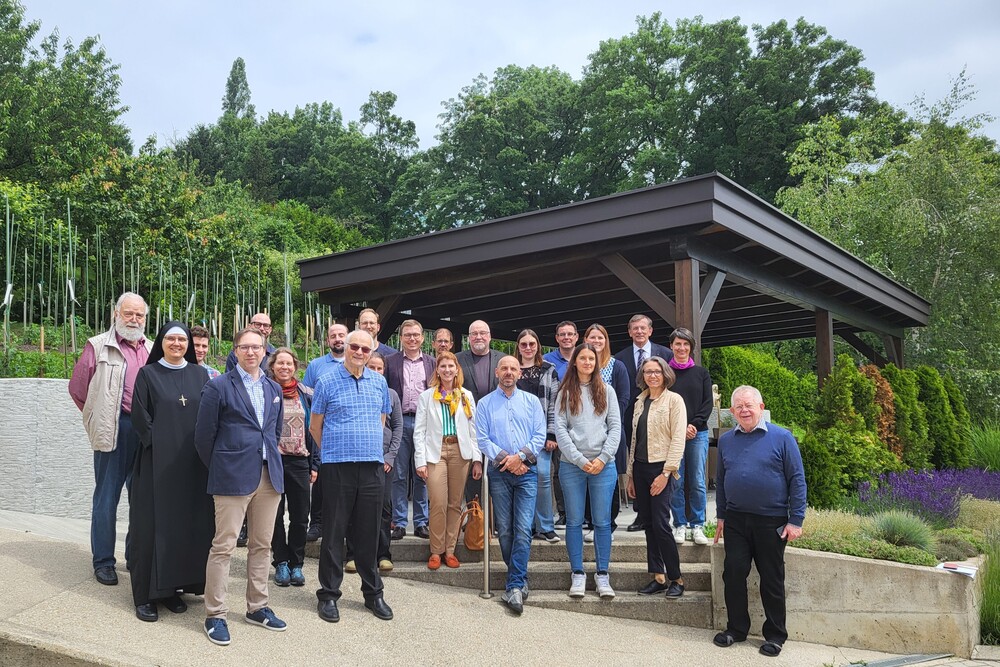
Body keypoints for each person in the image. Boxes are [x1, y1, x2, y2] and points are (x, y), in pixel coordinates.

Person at [195, 326, 287, 646]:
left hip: (268, 477)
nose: (251, 352)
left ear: (265, 351)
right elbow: (203, 437)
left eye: (257, 347)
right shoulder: (218, 386)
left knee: (262, 545)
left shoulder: (274, 388)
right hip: (232, 476)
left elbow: (273, 434)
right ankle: (215, 613)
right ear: (235, 351)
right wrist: (223, 465)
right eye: (245, 347)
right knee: (224, 546)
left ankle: (257, 607)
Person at [129, 321, 213, 622]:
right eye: (170, 339)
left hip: (192, 465)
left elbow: (208, 415)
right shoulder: (148, 374)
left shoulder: (200, 374)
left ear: (189, 343)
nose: (177, 344)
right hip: (157, 463)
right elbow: (140, 416)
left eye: (182, 339)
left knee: (184, 527)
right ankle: (147, 595)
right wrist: (160, 444)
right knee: (152, 526)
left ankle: (173, 589)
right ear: (161, 342)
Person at [713, 385, 806, 658]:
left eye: (749, 405)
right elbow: (721, 482)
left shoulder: (782, 437)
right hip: (736, 521)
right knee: (733, 573)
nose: (744, 410)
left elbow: (797, 480)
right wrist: (721, 515)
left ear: (761, 407)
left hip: (772, 521)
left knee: (772, 579)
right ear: (732, 412)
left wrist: (796, 519)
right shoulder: (727, 440)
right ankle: (736, 629)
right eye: (738, 406)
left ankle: (776, 636)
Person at [69, 291, 153, 586]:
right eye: (128, 313)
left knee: (141, 499)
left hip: (144, 432)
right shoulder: (98, 346)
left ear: (145, 318)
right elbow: (79, 390)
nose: (133, 319)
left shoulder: (152, 349)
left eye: (139, 315)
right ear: (115, 314)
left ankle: (134, 556)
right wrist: (98, 417)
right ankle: (103, 561)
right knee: (106, 498)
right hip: (113, 428)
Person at [310, 330, 394, 623]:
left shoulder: (379, 382)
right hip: (337, 466)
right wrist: (335, 450)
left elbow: (381, 421)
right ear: (345, 348)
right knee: (333, 532)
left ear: (372, 351)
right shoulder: (326, 381)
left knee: (369, 533)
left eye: (364, 348)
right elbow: (315, 426)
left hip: (371, 466)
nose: (359, 352)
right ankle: (329, 596)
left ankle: (373, 595)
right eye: (354, 346)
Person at [475, 356, 546, 615]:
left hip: (527, 471)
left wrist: (521, 458)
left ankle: (515, 584)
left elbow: (539, 434)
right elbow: (482, 438)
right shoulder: (484, 404)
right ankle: (519, 578)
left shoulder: (531, 402)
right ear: (497, 373)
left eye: (513, 369)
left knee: (523, 528)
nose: (508, 372)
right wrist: (508, 460)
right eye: (504, 368)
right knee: (504, 530)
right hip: (499, 472)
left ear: (519, 374)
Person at [554, 344, 621, 599]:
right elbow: (560, 429)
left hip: (604, 466)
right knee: (573, 521)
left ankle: (602, 574)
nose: (586, 362)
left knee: (602, 522)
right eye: (582, 358)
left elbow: (615, 427)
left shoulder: (607, 391)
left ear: (596, 362)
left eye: (591, 358)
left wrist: (603, 458)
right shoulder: (565, 392)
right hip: (573, 466)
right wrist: (580, 460)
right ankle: (578, 573)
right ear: (575, 362)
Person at [414, 352, 483, 569]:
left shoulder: (465, 396)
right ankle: (436, 550)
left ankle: (450, 550)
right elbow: (419, 431)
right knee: (438, 502)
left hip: (459, 451)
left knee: (455, 504)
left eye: (450, 366)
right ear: (438, 370)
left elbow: (474, 429)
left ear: (456, 370)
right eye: (442, 366)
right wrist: (420, 461)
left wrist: (477, 458)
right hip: (435, 452)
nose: (447, 370)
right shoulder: (427, 396)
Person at [625, 356, 687, 599]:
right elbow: (634, 440)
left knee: (661, 524)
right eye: (648, 372)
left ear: (665, 375)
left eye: (657, 372)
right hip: (640, 468)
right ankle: (657, 576)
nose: (652, 376)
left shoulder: (674, 401)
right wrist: (630, 475)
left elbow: (678, 438)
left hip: (662, 467)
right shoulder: (640, 401)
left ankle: (677, 578)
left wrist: (666, 473)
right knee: (648, 523)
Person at [266, 348, 320, 588]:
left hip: (299, 460)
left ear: (295, 367)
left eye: (289, 363)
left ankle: (297, 563)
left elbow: (315, 429)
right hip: (273, 462)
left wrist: (314, 463)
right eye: (280, 363)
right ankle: (281, 562)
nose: (285, 367)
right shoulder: (265, 389)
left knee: (300, 516)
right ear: (273, 366)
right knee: (274, 516)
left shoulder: (307, 394)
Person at [346, 351, 403, 573]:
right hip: (358, 457)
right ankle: (352, 554)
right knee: (354, 507)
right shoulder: (355, 391)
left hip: (384, 460)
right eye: (373, 368)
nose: (377, 372)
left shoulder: (391, 394)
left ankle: (383, 554)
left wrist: (390, 456)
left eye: (380, 369)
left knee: (383, 508)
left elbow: (397, 427)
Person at [614, 314, 671, 532]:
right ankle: (640, 513)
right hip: (631, 416)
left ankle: (661, 513)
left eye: (643, 328)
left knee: (657, 462)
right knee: (636, 463)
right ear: (629, 332)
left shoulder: (665, 354)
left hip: (659, 416)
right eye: (635, 328)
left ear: (650, 331)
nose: (639, 332)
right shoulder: (620, 358)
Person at [385, 319, 435, 540]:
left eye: (416, 335)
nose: (412, 339)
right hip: (400, 421)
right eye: (408, 335)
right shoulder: (390, 361)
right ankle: (399, 522)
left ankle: (422, 522)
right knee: (399, 474)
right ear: (401, 337)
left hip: (425, 423)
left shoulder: (432, 363)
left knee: (422, 473)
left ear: (423, 337)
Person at [666, 327, 714, 546]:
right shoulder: (666, 373)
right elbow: (663, 402)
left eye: (686, 344)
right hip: (673, 434)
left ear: (691, 348)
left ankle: (697, 525)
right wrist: (679, 428)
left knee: (696, 480)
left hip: (698, 434)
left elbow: (707, 403)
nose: (681, 348)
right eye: (678, 344)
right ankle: (679, 524)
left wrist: (692, 425)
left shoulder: (701, 373)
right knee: (676, 479)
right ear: (671, 346)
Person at [582, 323, 629, 539]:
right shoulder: (583, 365)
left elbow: (623, 398)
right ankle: (592, 523)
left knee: (608, 478)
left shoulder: (616, 366)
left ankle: (608, 523)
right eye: (592, 338)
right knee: (588, 477)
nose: (596, 342)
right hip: (586, 434)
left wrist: (608, 420)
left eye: (600, 338)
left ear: (606, 341)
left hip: (611, 430)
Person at [303, 322, 349, 542]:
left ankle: (343, 524)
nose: (338, 339)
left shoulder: (357, 363)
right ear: (327, 340)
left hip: (347, 430)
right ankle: (317, 523)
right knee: (319, 476)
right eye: (333, 336)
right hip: (321, 428)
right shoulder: (316, 365)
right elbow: (306, 395)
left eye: (341, 335)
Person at [515, 328, 560, 544]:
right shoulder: (512, 369)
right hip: (516, 435)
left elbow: (554, 405)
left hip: (541, 434)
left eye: (532, 344)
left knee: (542, 476)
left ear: (538, 346)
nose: (528, 348)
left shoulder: (548, 370)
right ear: (518, 347)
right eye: (524, 344)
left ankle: (546, 526)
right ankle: (528, 526)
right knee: (522, 479)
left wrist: (551, 433)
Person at [456, 320, 505, 502]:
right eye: (474, 333)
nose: (479, 337)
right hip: (469, 425)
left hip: (497, 426)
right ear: (469, 338)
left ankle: (497, 524)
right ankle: (475, 521)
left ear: (490, 336)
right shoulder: (458, 360)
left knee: (498, 475)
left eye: (482, 333)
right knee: (473, 475)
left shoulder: (502, 359)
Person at [541, 320, 579, 526]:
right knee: (558, 469)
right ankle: (563, 511)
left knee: (578, 468)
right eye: (562, 334)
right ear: (556, 338)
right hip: (557, 422)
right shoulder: (547, 361)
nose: (566, 337)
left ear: (576, 337)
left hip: (580, 422)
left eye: (569, 334)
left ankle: (580, 512)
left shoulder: (583, 357)